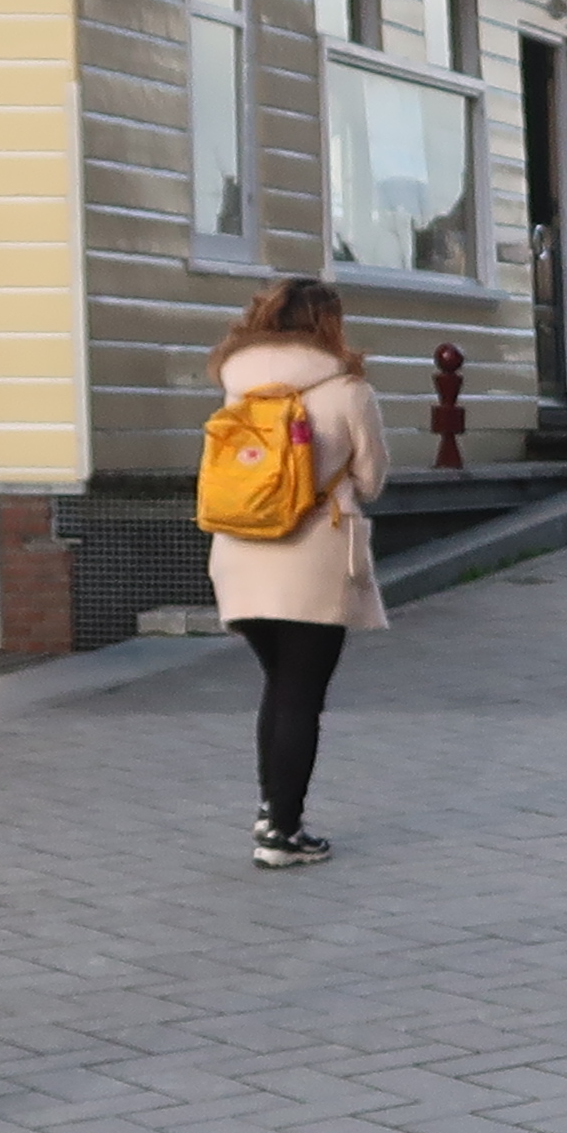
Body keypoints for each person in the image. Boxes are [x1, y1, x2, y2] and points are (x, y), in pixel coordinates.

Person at [204, 279, 386, 868]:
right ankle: (283, 831)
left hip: (237, 556)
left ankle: (271, 810)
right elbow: (373, 478)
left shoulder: (235, 386)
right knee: (300, 695)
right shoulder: (348, 389)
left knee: (278, 686)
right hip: (313, 558)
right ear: (329, 322)